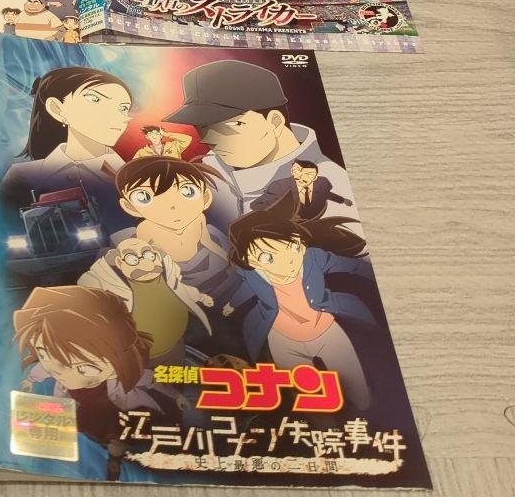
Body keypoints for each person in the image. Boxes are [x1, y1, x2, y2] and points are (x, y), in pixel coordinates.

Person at [163, 59, 358, 236]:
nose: (209, 139)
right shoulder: (207, 171)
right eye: (202, 127)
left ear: (275, 121)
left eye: (231, 125)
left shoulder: (332, 188)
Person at [224, 190, 375, 408]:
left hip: (326, 331)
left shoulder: (312, 258)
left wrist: (372, 273)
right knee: (306, 400)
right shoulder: (252, 275)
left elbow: (349, 265)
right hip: (283, 340)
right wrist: (231, 304)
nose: (288, 260)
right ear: (251, 260)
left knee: (359, 392)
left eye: (293, 247)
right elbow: (246, 290)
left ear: (300, 242)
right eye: (268, 257)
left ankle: (366, 413)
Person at [14, 285, 169, 481]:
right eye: (45, 354)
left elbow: (152, 380)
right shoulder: (58, 373)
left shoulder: (123, 380)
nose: (62, 372)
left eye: (84, 368)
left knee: (119, 442)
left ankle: (115, 461)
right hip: (88, 416)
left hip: (120, 414)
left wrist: (177, 396)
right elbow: (44, 370)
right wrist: (29, 380)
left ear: (120, 361)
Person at [0, 67, 133, 227]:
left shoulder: (134, 177)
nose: (118, 116)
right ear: (57, 108)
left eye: (123, 108)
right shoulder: (22, 176)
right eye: (95, 99)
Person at [114, 154, 236, 304]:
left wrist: (228, 260)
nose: (172, 206)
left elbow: (207, 241)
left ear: (205, 198)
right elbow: (147, 258)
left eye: (188, 192)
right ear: (130, 207)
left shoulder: (199, 219)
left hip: (204, 265)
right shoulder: (146, 228)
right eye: (144, 197)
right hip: (171, 271)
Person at [78, 236, 213, 365]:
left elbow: (181, 289)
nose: (145, 263)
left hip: (174, 349)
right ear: (119, 262)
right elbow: (88, 292)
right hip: (136, 358)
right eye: (132, 259)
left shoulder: (167, 275)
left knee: (175, 379)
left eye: (149, 255)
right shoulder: (112, 285)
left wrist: (200, 297)